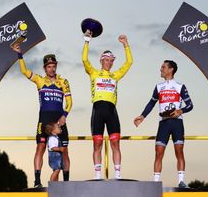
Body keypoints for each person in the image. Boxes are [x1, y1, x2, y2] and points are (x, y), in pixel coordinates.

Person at [12, 44, 72, 187]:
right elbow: (25, 71)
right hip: (44, 119)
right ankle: (37, 181)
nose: (52, 68)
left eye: (54, 66)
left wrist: (64, 115)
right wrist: (20, 55)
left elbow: (69, 102)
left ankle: (66, 182)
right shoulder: (40, 80)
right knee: (41, 146)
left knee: (65, 150)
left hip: (59, 119)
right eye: (49, 66)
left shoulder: (63, 82)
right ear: (45, 68)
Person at [133, 60, 193, 188]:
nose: (161, 69)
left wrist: (180, 110)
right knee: (158, 153)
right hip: (163, 124)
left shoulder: (180, 86)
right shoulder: (159, 87)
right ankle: (155, 183)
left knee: (179, 152)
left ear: (171, 69)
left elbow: (190, 105)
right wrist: (142, 116)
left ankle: (181, 181)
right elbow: (151, 103)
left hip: (177, 123)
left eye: (163, 67)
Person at [82, 32, 133, 179]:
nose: (110, 63)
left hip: (111, 111)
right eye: (107, 60)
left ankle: (118, 174)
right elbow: (84, 59)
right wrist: (87, 41)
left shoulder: (115, 75)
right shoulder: (94, 73)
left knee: (115, 143)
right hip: (98, 110)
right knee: (97, 144)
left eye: (112, 61)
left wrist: (126, 45)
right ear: (101, 61)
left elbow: (129, 63)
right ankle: (97, 175)